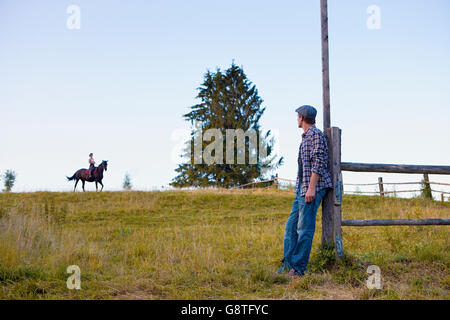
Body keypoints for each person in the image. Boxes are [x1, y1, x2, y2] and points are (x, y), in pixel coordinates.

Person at [278, 105, 333, 277]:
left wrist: (311, 188)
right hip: (302, 189)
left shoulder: (315, 135)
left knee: (304, 228)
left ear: (301, 117)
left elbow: (319, 162)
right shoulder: (306, 137)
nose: (297, 119)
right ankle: (288, 265)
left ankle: (299, 269)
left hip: (312, 188)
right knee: (291, 227)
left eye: (297, 116)